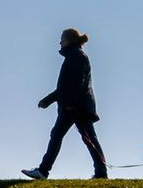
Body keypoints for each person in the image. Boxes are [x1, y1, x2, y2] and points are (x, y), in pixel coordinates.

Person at [22, 27, 107, 180]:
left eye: (62, 38)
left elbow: (77, 83)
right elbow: (64, 88)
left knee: (86, 138)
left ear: (68, 40)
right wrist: (48, 100)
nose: (59, 42)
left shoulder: (77, 56)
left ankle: (44, 171)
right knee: (65, 136)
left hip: (76, 108)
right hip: (74, 106)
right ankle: (43, 171)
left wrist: (70, 103)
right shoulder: (74, 56)